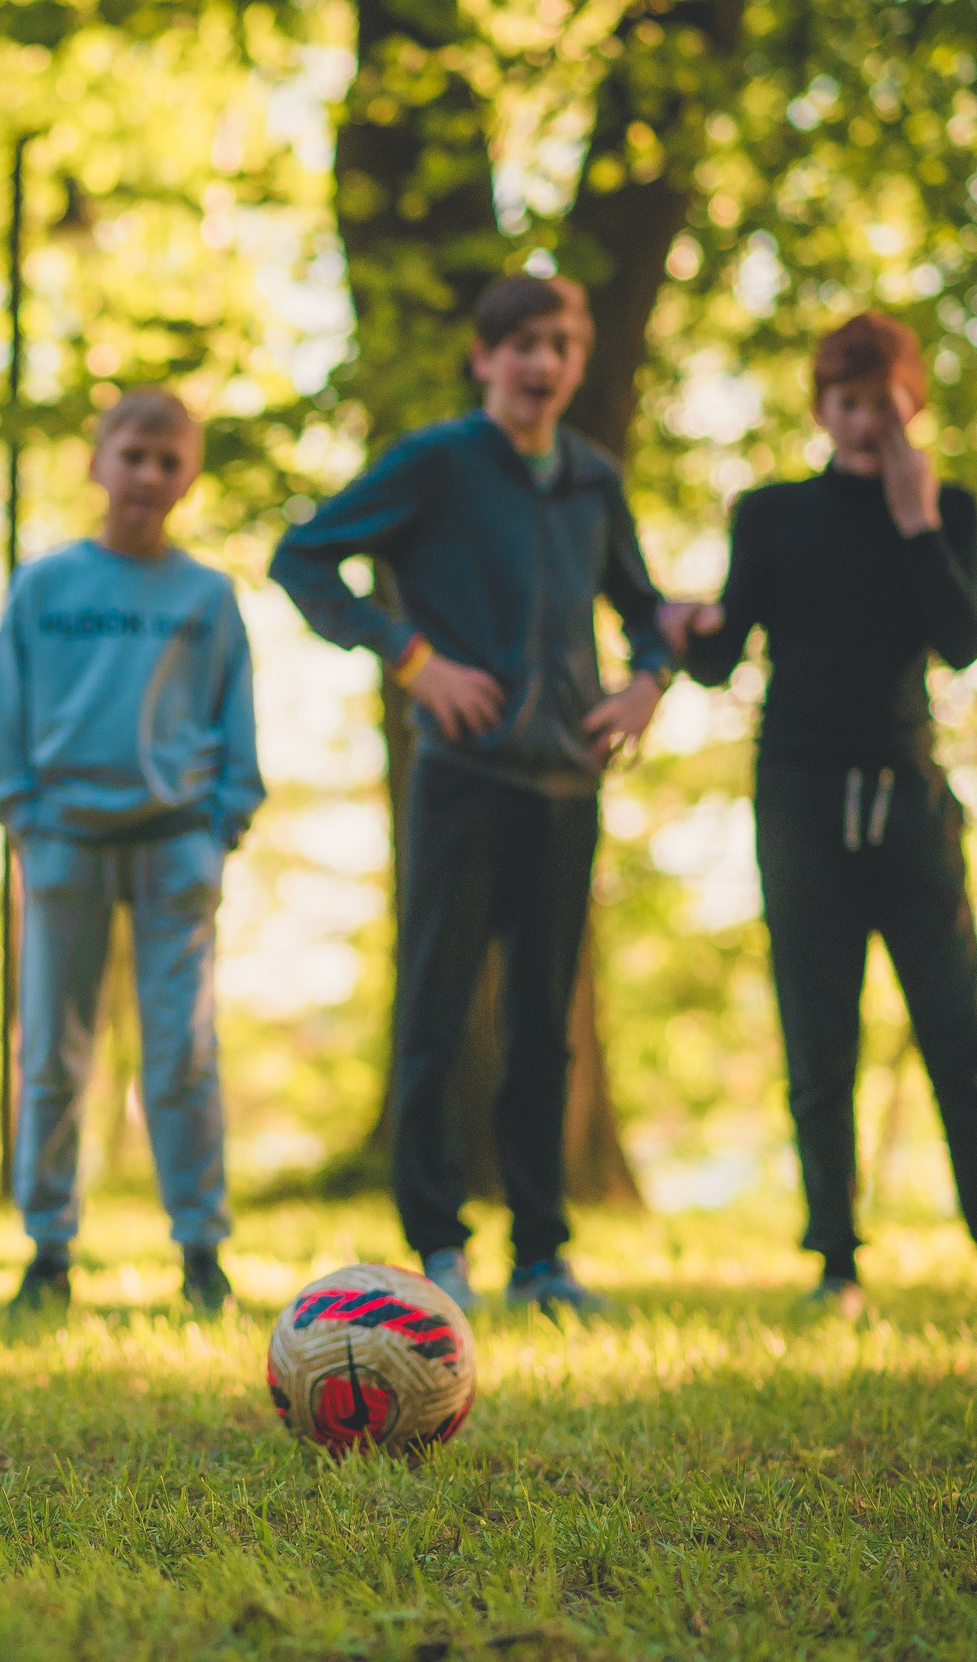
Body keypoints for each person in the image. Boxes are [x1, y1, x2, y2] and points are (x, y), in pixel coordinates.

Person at [269, 274, 684, 1317]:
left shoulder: (592, 478)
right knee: (436, 1015)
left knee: (545, 1028)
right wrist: (410, 656)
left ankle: (541, 1256)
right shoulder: (435, 465)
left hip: (563, 787)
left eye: (561, 345)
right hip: (461, 782)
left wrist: (645, 683)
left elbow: (643, 608)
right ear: (484, 356)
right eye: (523, 344)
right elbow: (303, 556)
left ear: (578, 362)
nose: (542, 363)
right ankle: (436, 1247)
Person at [670, 313, 977, 1318]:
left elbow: (964, 641)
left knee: (956, 1031)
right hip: (798, 794)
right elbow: (724, 653)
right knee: (818, 1038)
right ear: (819, 408)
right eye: (844, 405)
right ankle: (835, 1263)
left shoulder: (945, 509)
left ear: (909, 405)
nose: (861, 423)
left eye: (880, 406)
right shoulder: (767, 513)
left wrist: (916, 520)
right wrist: (686, 629)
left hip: (907, 795)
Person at [0, 387, 264, 1317]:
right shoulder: (46, 587)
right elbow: (5, 710)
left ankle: (201, 1249)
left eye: (167, 460)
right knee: (54, 1050)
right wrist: (23, 814)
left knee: (180, 1050)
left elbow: (236, 715)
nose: (147, 474)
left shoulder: (206, 596)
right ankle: (50, 1249)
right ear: (96, 462)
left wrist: (223, 821)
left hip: (176, 846)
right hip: (63, 841)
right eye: (131, 455)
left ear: (188, 477)